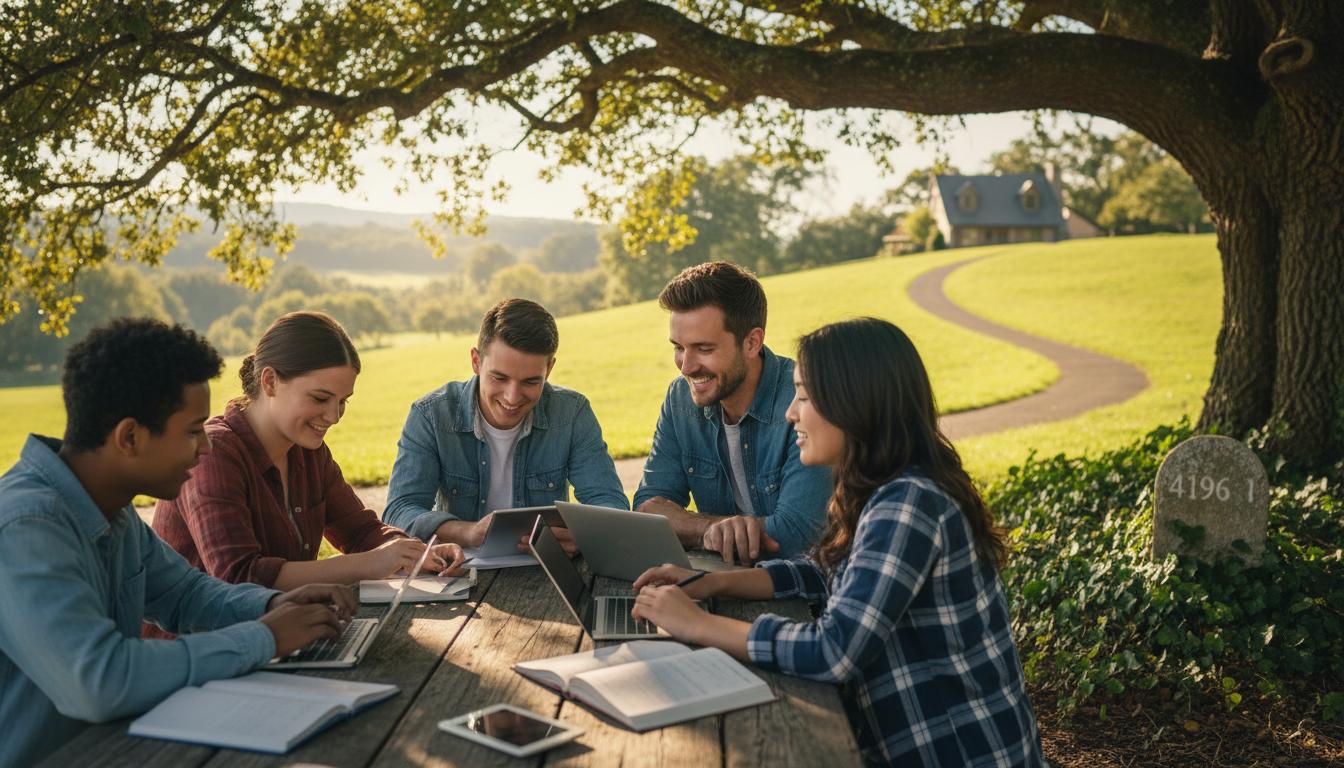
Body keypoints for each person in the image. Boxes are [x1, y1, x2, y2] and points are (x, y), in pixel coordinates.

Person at [631, 318, 1044, 767]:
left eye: (805, 397)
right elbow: (823, 571)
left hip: (958, 753)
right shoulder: (880, 489)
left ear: (855, 404)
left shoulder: (908, 503)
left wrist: (696, 625)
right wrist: (710, 582)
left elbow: (834, 650)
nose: (791, 414)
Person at [0, 318, 357, 767]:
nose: (205, 448)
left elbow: (186, 594)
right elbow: (100, 682)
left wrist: (268, 606)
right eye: (192, 431)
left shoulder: (111, 508)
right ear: (129, 437)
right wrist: (263, 637)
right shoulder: (25, 526)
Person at [152, 311, 466, 594]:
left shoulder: (307, 451)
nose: (333, 416)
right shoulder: (213, 453)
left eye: (343, 401)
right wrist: (371, 564)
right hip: (197, 647)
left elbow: (360, 531)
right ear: (270, 381)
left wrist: (414, 551)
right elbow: (239, 576)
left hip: (277, 632)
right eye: (320, 398)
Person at [384, 298, 628, 554]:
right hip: (459, 571)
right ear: (476, 362)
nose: (512, 397)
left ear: (550, 369)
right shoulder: (431, 415)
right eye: (499, 378)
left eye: (531, 382)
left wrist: (582, 537)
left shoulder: (572, 412)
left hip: (546, 567)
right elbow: (399, 511)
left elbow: (610, 503)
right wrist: (469, 532)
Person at [634, 262, 830, 565]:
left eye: (704, 349)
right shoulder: (679, 399)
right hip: (730, 583)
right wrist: (711, 529)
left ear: (752, 342)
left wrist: (688, 526)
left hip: (808, 593)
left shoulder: (805, 398)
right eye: (678, 348)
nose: (686, 366)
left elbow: (796, 536)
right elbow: (648, 510)